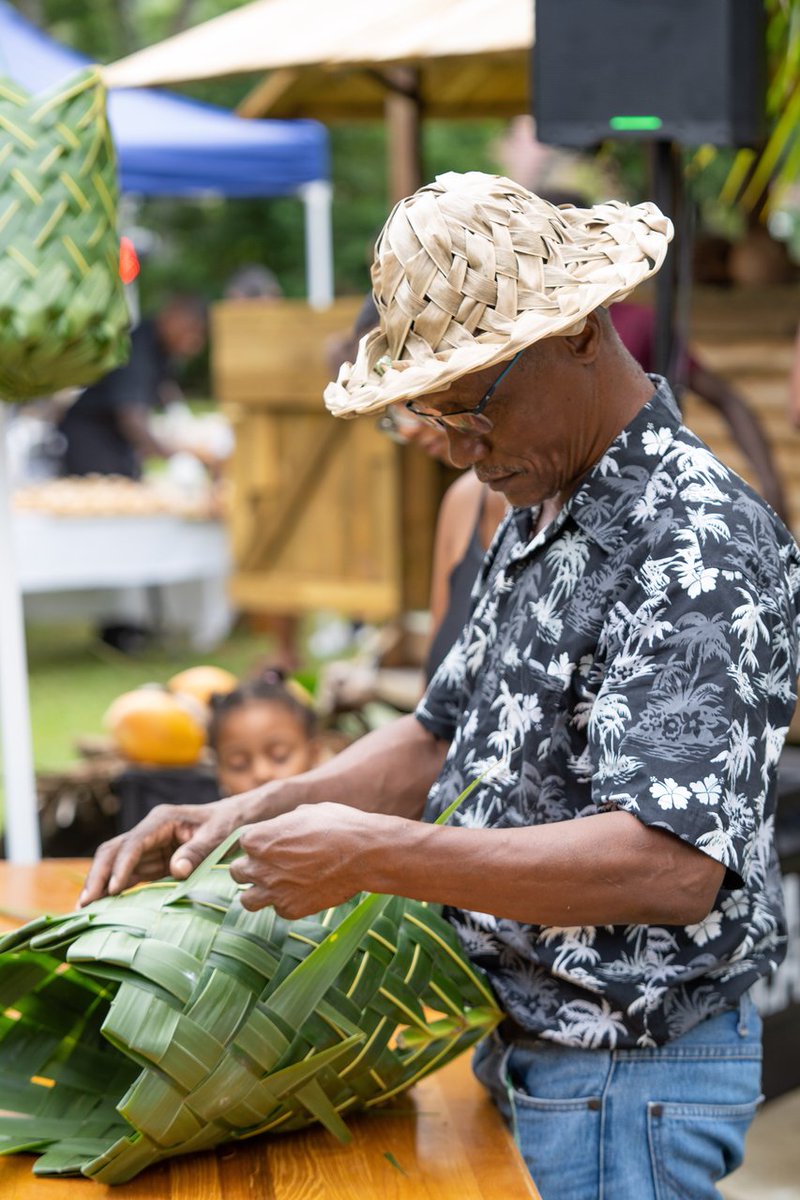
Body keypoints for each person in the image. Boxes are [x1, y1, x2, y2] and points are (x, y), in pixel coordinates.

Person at [80, 174, 800, 1199]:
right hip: (525, 1039)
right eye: (435, 417)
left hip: (626, 1070)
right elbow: (434, 734)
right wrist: (247, 810)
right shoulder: (546, 494)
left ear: (580, 331)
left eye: (474, 409)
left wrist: (375, 855)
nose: (460, 451)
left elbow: (666, 865)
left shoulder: (695, 545)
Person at [58, 294, 208, 479]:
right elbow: (130, 417)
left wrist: (183, 420)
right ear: (173, 316)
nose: (194, 342)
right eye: (191, 330)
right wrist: (173, 455)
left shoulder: (162, 350)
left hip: (114, 438)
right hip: (90, 436)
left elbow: (166, 389)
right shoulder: (138, 348)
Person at [208, 671, 319, 797]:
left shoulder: (343, 811)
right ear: (219, 774)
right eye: (239, 764)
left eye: (280, 756)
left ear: (314, 754)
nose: (262, 774)